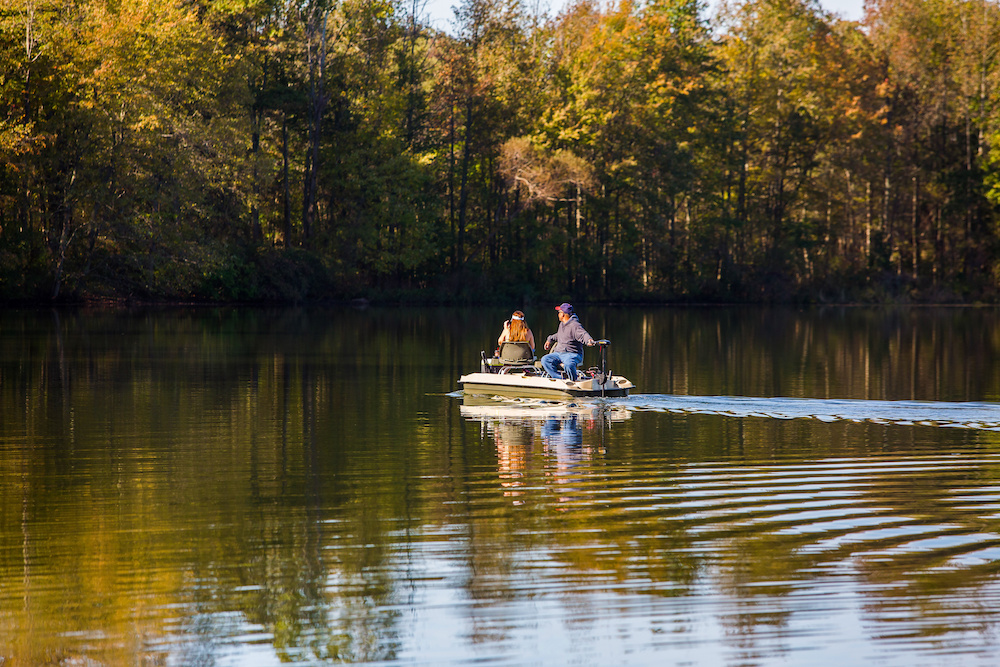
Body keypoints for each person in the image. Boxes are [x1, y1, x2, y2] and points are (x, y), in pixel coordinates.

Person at [541, 303, 596, 380]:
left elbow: (583, 334)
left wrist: (589, 340)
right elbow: (559, 335)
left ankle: (573, 380)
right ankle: (559, 378)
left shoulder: (575, 325)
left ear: (563, 314)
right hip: (558, 353)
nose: (558, 314)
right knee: (545, 360)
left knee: (568, 364)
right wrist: (549, 339)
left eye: (559, 312)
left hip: (572, 354)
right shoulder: (562, 324)